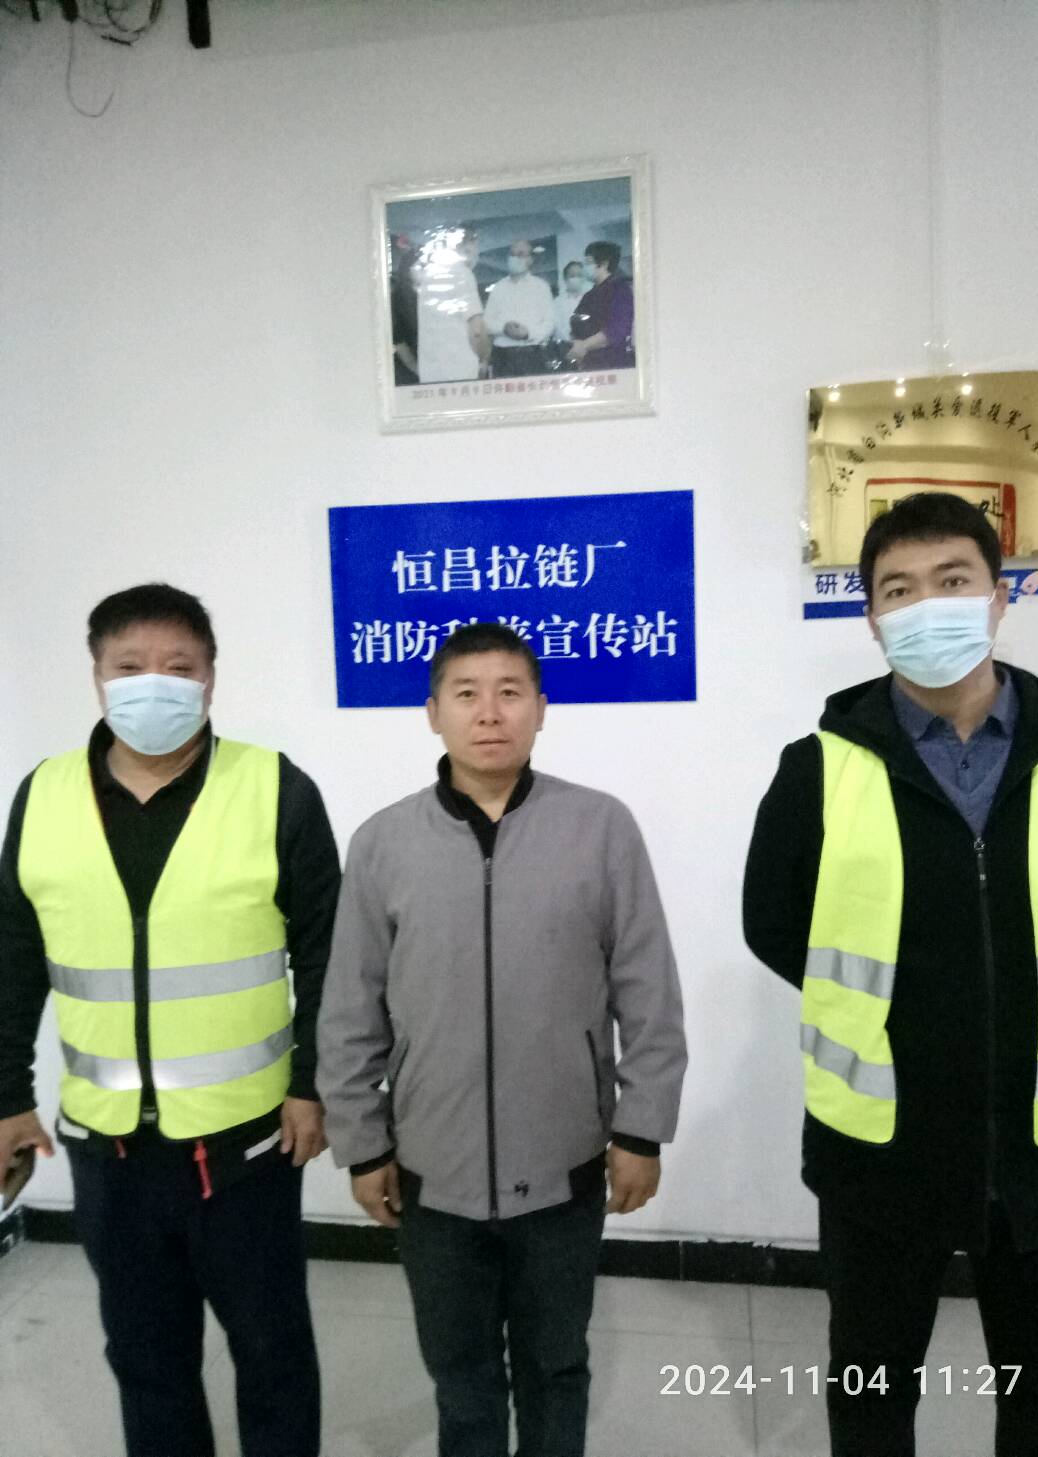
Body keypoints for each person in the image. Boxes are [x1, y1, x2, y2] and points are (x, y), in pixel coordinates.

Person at [744, 492, 1038, 1457]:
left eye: (953, 580)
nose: (928, 605)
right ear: (872, 617)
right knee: (872, 1396)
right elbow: (775, 925)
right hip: (879, 1154)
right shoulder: (817, 769)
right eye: (900, 589)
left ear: (999, 596)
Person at [318, 621, 686, 1457]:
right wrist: (362, 1144)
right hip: (430, 1172)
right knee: (462, 1377)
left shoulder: (600, 827)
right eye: (467, 693)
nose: (490, 712)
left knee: (556, 1366)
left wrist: (641, 1129)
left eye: (510, 692)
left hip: (564, 1166)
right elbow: (349, 1009)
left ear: (541, 709)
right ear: (433, 713)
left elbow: (649, 992)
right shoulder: (383, 842)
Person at [0, 583, 339, 1457]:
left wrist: (312, 1083)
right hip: (108, 1149)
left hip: (247, 1144)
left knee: (272, 1350)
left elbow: (329, 953)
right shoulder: (42, 796)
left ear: (211, 679)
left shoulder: (273, 787)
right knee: (147, 1360)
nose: (154, 683)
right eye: (130, 666)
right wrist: (7, 1095)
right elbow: (12, 957)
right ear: (97, 677)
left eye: (178, 667)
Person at [416, 224, 490, 385]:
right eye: (474, 247)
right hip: (460, 371)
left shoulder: (427, 277)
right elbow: (476, 330)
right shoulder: (463, 274)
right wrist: (484, 359)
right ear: (465, 247)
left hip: (430, 373)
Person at [482, 237, 555, 378]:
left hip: (532, 353)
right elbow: (486, 322)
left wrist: (528, 333)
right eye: (512, 254)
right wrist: (503, 328)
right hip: (502, 355)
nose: (515, 258)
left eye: (520, 254)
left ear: (530, 260)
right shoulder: (498, 288)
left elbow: (549, 323)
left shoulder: (541, 287)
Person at [568, 240, 634, 371]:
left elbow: (616, 330)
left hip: (612, 362)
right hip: (588, 362)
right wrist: (575, 344)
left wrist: (585, 345)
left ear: (604, 264)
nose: (584, 268)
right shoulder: (589, 295)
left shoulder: (620, 290)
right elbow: (576, 323)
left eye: (588, 263)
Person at [390, 244, 422, 386]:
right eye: (420, 266)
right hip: (408, 371)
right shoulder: (398, 298)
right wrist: (419, 371)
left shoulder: (427, 296)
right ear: (408, 270)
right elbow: (399, 342)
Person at [553, 259, 586, 345]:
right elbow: (556, 327)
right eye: (572, 275)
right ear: (565, 279)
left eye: (579, 275)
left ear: (583, 278)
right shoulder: (557, 303)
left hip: (587, 345)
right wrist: (570, 341)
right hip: (565, 345)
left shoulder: (590, 300)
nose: (576, 278)